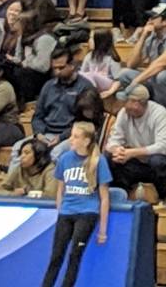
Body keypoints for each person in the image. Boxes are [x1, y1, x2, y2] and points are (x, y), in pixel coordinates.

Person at [38, 121, 109, 287]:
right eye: (71, 136)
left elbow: (104, 197)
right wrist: (60, 209)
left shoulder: (99, 161)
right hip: (67, 212)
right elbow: (60, 189)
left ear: (86, 141)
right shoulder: (65, 159)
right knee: (56, 256)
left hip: (87, 212)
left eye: (75, 137)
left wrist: (103, 230)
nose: (71, 140)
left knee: (74, 255)